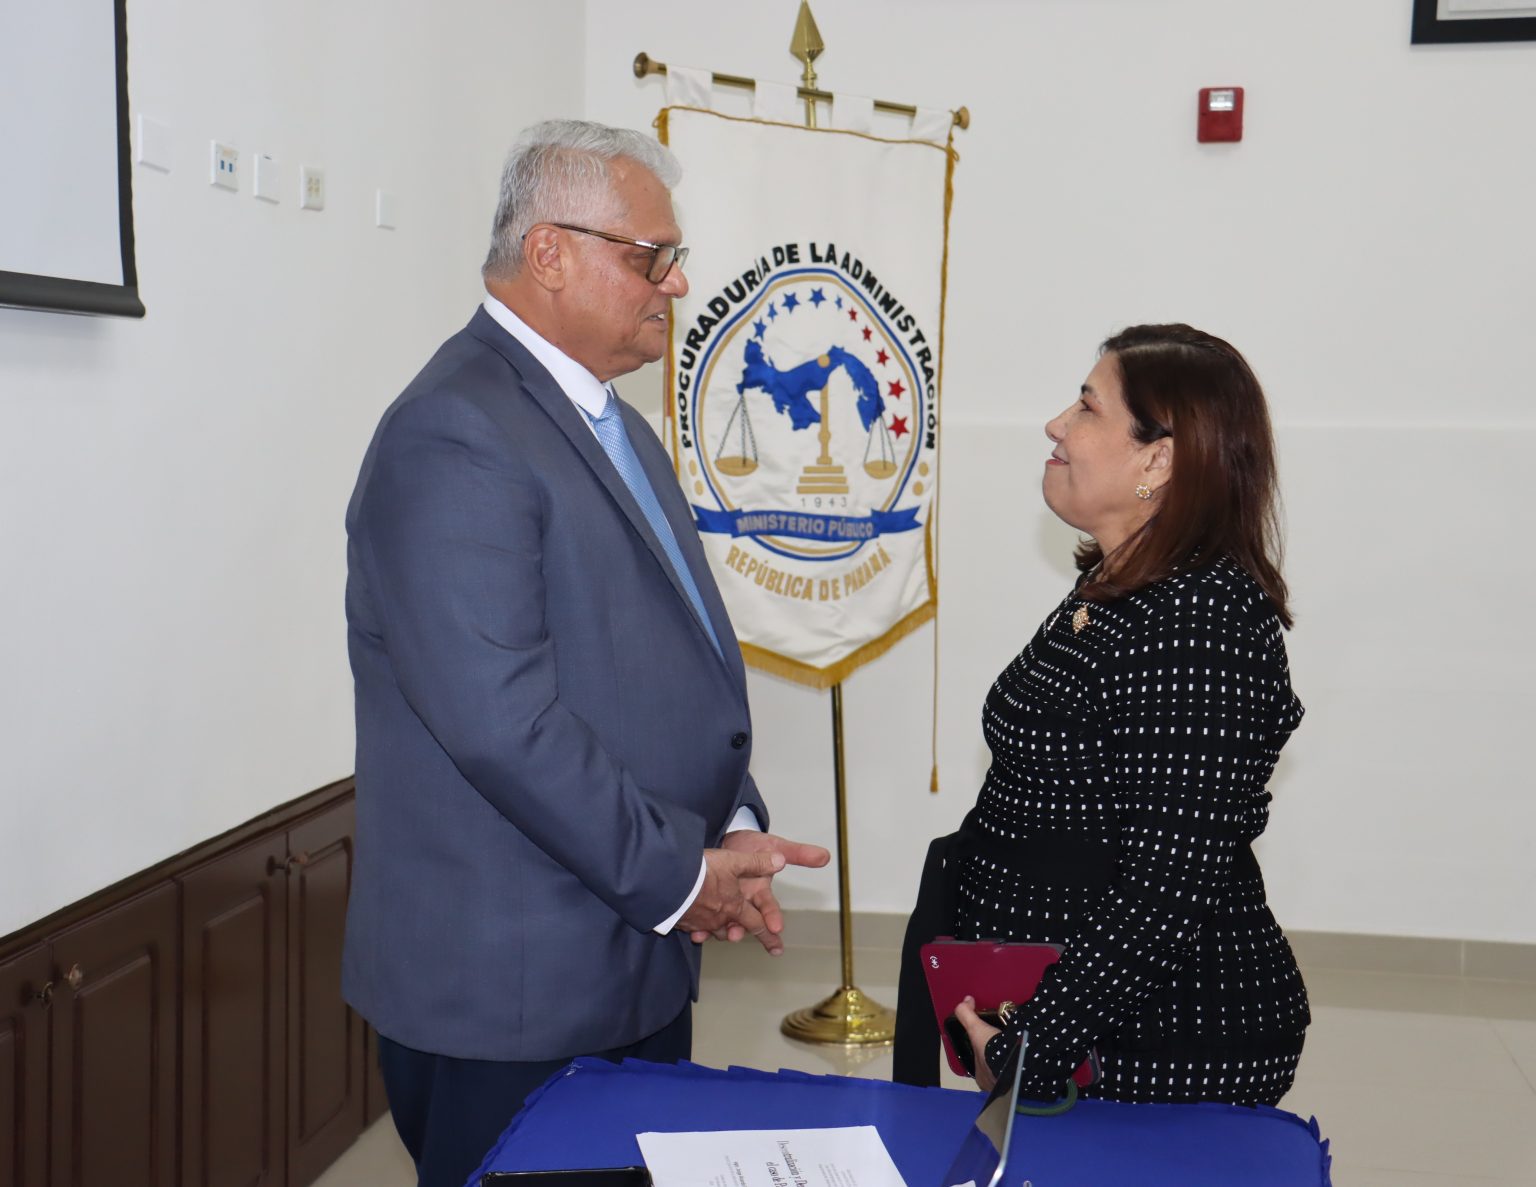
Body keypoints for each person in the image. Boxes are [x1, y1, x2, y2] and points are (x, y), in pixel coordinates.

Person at [342, 119, 829, 1187]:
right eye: (651, 257)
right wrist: (680, 876)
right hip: (515, 990)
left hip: (631, 953)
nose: (676, 281)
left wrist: (731, 825)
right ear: (550, 252)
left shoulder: (613, 423)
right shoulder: (454, 433)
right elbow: (501, 723)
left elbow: (660, 662)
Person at [894, 324, 1309, 1106]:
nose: (1057, 424)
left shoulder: (1199, 625)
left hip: (1158, 1041)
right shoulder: (1122, 590)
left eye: (1087, 407)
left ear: (1159, 460)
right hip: (1081, 1027)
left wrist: (1033, 1047)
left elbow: (1165, 892)